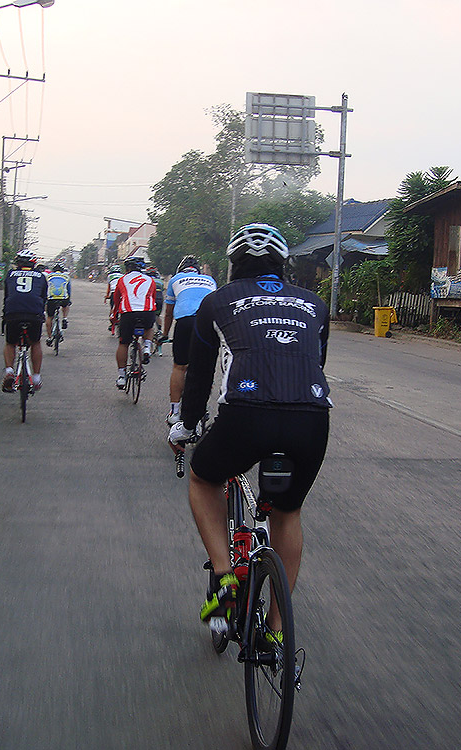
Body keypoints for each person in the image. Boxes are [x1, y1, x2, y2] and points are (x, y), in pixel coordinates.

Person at [168, 224, 331, 639]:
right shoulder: (314, 304)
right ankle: (276, 630)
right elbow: (316, 364)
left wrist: (186, 427)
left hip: (245, 417)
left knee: (203, 478)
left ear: (233, 264)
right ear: (283, 263)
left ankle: (225, 576)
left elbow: (199, 378)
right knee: (287, 513)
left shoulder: (216, 302)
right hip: (311, 419)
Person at [163, 255, 217, 425]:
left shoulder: (175, 279)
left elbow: (169, 313)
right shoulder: (210, 280)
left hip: (185, 321)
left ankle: (174, 412)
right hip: (208, 322)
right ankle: (202, 408)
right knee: (204, 368)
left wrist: (165, 334)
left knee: (179, 367)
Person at [2, 252, 48, 392]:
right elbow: (43, 298)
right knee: (35, 343)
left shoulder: (10, 274)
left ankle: (9, 370)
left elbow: (7, 295)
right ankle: (36, 377)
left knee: (10, 343)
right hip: (34, 314)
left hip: (13, 313)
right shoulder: (40, 276)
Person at [110, 255, 156, 389]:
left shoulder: (122, 279)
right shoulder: (150, 280)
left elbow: (116, 300)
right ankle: (147, 347)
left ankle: (121, 377)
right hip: (147, 312)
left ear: (127, 268)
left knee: (123, 343)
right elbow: (153, 298)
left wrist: (114, 317)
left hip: (128, 313)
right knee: (149, 328)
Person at [45, 261, 72, 344]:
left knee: (49, 317)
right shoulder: (66, 276)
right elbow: (68, 289)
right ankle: (64, 318)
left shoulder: (48, 276)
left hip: (51, 298)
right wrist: (69, 299)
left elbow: (45, 288)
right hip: (63, 298)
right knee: (66, 305)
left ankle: (49, 337)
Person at [104, 264, 123, 335]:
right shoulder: (123, 276)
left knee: (113, 307)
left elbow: (109, 287)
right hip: (122, 292)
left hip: (114, 292)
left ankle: (111, 323)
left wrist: (107, 295)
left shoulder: (110, 276)